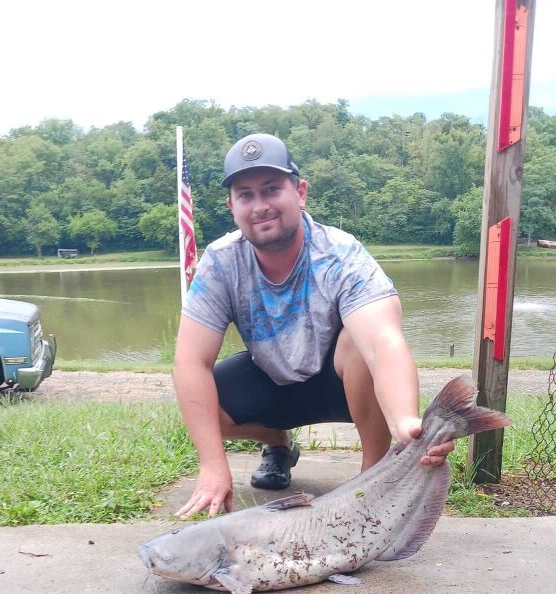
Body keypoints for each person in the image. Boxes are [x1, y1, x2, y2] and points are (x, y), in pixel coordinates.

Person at [173, 132, 454, 518]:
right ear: (232, 206)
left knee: (357, 344)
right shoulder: (221, 262)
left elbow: (382, 341)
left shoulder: (341, 253)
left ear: (300, 192)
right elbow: (190, 362)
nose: (260, 206)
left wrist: (406, 420)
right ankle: (277, 443)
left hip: (340, 383)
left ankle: (375, 473)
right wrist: (212, 464)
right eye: (246, 195)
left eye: (271, 189)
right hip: (270, 378)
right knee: (206, 398)